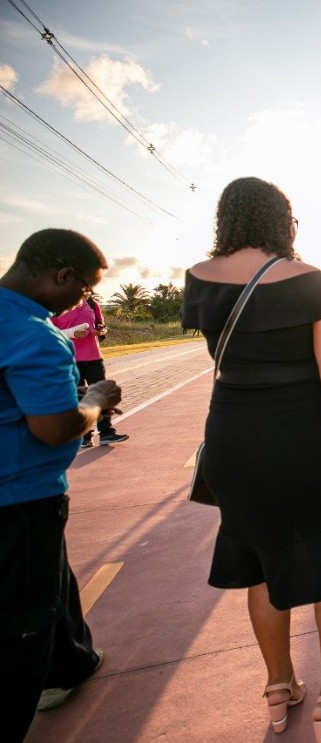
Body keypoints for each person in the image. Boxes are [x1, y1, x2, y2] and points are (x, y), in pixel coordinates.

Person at [181, 177, 321, 741]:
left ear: (227, 220)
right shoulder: (311, 282)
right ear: (282, 222)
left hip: (232, 441)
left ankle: (278, 687)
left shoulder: (199, 277)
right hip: (303, 441)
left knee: (259, 560)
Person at [0, 228, 124, 741]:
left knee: (54, 577)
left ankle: (70, 661)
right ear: (62, 276)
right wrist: (95, 400)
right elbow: (53, 427)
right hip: (19, 500)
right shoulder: (34, 335)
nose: (83, 299)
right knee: (24, 623)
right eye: (84, 288)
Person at [50, 296, 129, 447]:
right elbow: (50, 333)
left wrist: (101, 330)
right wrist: (72, 334)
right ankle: (85, 436)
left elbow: (101, 325)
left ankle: (106, 433)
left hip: (94, 357)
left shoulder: (92, 303)